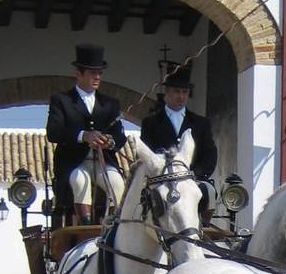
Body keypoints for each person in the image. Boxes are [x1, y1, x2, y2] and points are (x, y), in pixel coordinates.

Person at [46, 44, 127, 226]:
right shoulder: (62, 100)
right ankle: (85, 225)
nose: (97, 77)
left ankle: (116, 224)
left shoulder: (110, 103)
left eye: (99, 73)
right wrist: (83, 135)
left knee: (117, 182)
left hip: (102, 161)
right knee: (79, 180)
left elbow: (120, 136)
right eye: (92, 73)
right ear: (79, 73)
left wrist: (110, 141)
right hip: (74, 162)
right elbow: (53, 132)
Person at [140, 67, 217, 180]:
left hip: (193, 180)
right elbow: (146, 153)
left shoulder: (201, 123)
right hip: (161, 180)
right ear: (167, 91)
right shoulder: (150, 123)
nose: (181, 97)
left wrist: (194, 175)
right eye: (177, 91)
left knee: (209, 193)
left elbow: (210, 155)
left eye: (184, 92)